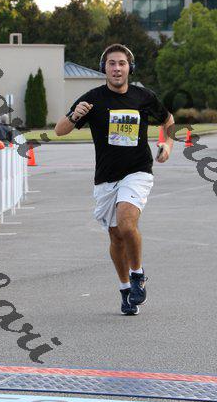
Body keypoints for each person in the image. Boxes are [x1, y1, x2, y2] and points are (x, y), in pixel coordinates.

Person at [55, 44, 174, 316]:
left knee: (126, 222)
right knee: (116, 236)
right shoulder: (92, 99)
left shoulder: (143, 97)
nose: (117, 68)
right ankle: (125, 289)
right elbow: (60, 130)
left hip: (138, 171)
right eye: (112, 63)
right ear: (104, 68)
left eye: (122, 63)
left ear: (130, 68)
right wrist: (75, 115)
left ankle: (137, 274)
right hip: (106, 177)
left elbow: (168, 121)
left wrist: (167, 146)